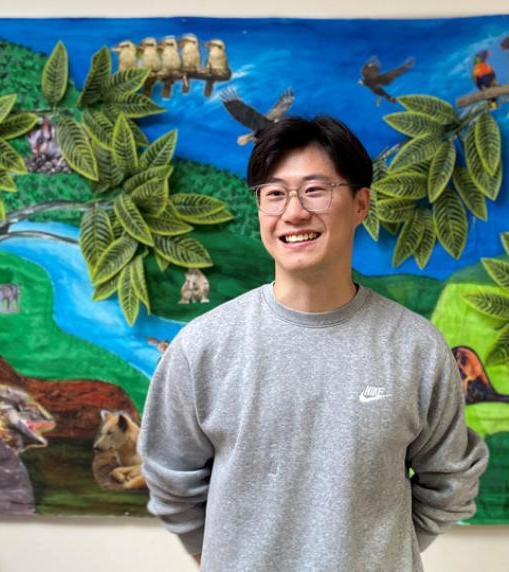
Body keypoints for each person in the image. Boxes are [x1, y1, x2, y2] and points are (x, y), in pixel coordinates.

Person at [137, 116, 489, 571]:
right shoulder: (202, 347)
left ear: (361, 203)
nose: (294, 212)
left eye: (315, 190)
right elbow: (171, 479)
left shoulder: (415, 348)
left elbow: (449, 483)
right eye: (275, 194)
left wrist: (375, 551)